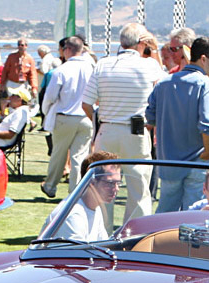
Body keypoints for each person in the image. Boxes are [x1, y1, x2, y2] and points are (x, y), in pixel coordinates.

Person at [82, 23, 165, 221]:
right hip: (136, 131)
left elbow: (86, 103)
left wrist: (99, 121)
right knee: (140, 189)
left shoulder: (103, 64)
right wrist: (154, 50)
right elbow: (164, 86)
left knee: (102, 185)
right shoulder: (150, 65)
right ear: (142, 43)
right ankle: (134, 234)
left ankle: (100, 232)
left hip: (107, 129)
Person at [144, 36, 209, 213]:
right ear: (203, 59)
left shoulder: (163, 83)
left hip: (169, 160)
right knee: (193, 215)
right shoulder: (207, 84)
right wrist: (208, 152)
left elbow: (150, 116)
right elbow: (208, 124)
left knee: (165, 213)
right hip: (197, 161)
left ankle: (158, 241)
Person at [40, 36, 95, 198]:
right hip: (86, 117)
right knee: (79, 156)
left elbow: (49, 97)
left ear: (68, 50)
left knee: (59, 153)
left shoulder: (61, 70)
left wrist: (46, 112)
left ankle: (50, 185)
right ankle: (75, 191)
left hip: (65, 116)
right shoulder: (91, 68)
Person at [42, 151, 120, 241]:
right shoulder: (73, 215)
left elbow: (104, 245)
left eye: (118, 183)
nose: (116, 188)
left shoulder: (95, 206)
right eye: (110, 183)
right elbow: (76, 254)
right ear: (92, 181)